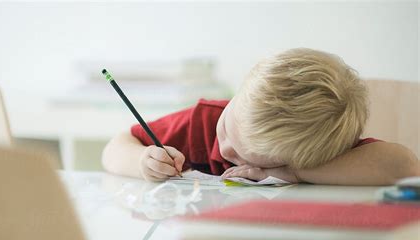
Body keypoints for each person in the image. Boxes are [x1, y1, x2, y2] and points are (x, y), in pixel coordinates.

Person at [102, 48, 419, 185]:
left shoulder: (314, 150)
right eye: (228, 128)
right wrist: (143, 161)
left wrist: (294, 173)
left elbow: (404, 166)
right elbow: (115, 147)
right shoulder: (206, 121)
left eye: (242, 155)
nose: (224, 150)